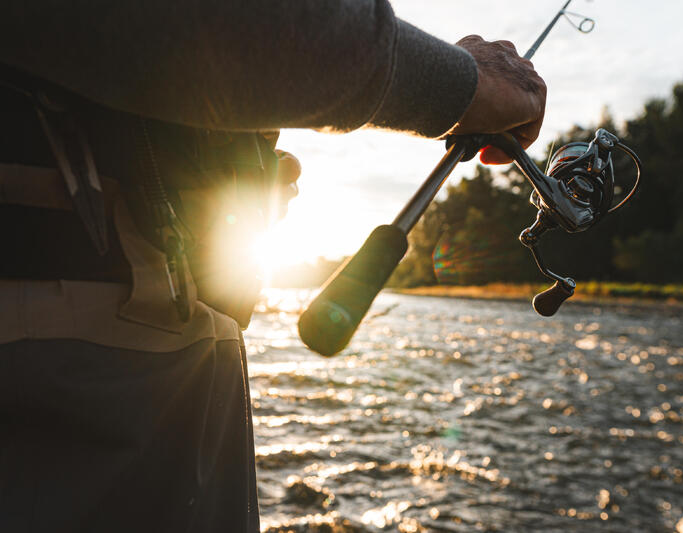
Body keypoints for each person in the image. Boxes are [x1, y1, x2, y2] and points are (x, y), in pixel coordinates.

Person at [0, 1, 546, 531]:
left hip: (135, 351)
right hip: (82, 360)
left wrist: (223, 182)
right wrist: (465, 85)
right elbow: (227, 24)